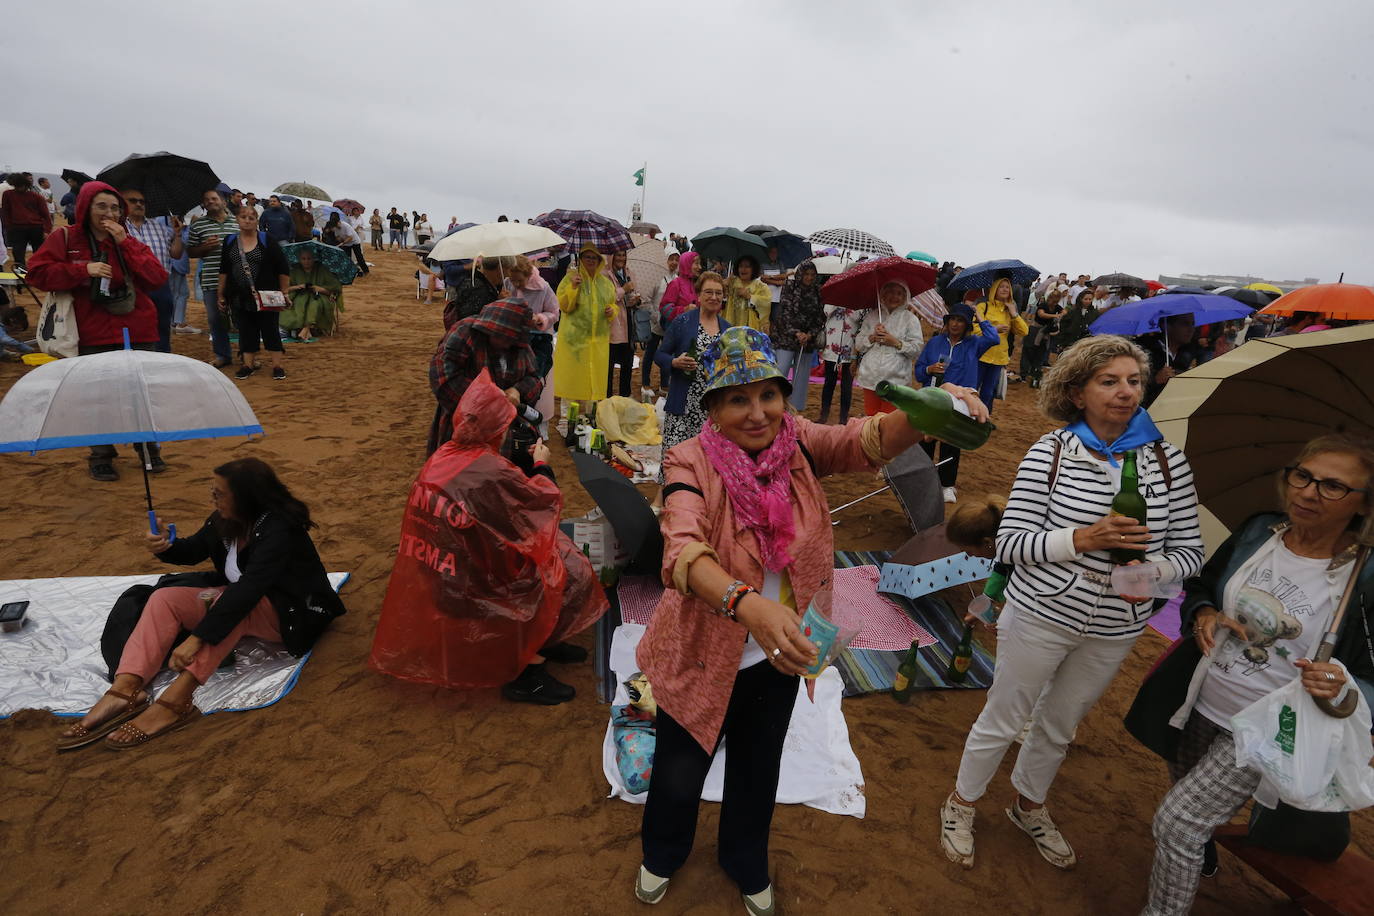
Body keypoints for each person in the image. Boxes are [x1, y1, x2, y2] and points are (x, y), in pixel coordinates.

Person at [634, 325, 988, 912]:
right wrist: (750, 605)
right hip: (698, 647)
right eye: (738, 398)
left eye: (768, 395)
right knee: (679, 765)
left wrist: (932, 411)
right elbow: (682, 549)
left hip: (782, 653)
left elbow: (864, 441)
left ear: (784, 397)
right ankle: (662, 853)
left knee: (758, 764)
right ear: (714, 407)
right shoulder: (689, 459)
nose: (757, 413)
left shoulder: (797, 443)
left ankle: (744, 859)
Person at [938, 335, 1204, 872]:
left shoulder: (1168, 463)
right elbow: (1010, 545)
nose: (1126, 392)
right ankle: (961, 804)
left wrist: (1152, 570)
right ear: (1078, 393)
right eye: (1109, 381)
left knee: (1059, 724)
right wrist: (1083, 538)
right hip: (1041, 612)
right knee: (1004, 714)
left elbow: (1191, 553)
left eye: (1133, 380)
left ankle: (1028, 805)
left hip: (1116, 624)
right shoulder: (1052, 452)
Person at [1136, 433, 1374, 915]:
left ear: (1363, 504)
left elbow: (1366, 675)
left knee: (1178, 822)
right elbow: (1204, 585)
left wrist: (1343, 685)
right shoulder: (1259, 531)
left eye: (1333, 487)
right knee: (1186, 794)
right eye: (1303, 476)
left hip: (1266, 726)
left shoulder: (1364, 574)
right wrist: (1203, 614)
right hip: (1201, 697)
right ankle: (1200, 856)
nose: (1308, 492)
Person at [55, 458, 346, 751]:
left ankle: (177, 700)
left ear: (246, 496)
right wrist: (167, 546)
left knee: (233, 607)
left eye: (219, 493)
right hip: (244, 599)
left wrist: (197, 639)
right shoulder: (225, 519)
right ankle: (127, 687)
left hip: (294, 613)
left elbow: (248, 589)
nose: (213, 497)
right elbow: (194, 549)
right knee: (164, 597)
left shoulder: (278, 529)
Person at [371, 368, 606, 703]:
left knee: (552, 554)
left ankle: (544, 639)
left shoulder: (447, 454)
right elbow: (541, 508)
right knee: (566, 564)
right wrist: (540, 465)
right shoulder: (486, 469)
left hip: (445, 573)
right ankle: (527, 672)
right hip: (476, 582)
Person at [27, 182, 169, 481]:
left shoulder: (127, 239)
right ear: (85, 207)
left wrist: (127, 243)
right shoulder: (66, 238)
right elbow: (37, 273)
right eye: (101, 206)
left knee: (140, 395)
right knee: (97, 397)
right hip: (92, 331)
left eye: (116, 208)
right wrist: (83, 270)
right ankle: (101, 454)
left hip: (137, 328)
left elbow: (156, 278)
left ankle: (148, 450)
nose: (110, 213)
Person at [428, 298, 542, 454]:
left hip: (504, 433)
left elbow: (535, 378)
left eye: (510, 339)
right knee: (460, 474)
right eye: (501, 337)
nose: (506, 344)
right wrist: (490, 400)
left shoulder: (518, 344)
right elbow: (442, 377)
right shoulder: (464, 332)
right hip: (462, 427)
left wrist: (518, 391)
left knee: (496, 474)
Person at [914, 305, 1001, 502]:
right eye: (952, 319)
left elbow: (994, 338)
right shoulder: (935, 342)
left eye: (961, 320)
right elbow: (919, 372)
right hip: (933, 396)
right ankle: (923, 481)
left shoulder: (974, 344)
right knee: (925, 441)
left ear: (967, 325)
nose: (955, 323)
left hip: (961, 400)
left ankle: (947, 486)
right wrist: (929, 369)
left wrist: (980, 316)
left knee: (951, 443)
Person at [654, 271, 730, 483]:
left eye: (718, 293)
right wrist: (674, 362)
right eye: (708, 292)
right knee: (674, 451)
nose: (714, 297)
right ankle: (662, 496)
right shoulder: (683, 321)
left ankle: (698, 497)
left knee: (707, 456)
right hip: (683, 401)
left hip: (712, 408)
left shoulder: (728, 329)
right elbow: (659, 355)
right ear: (698, 295)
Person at [218, 206, 291, 381]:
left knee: (270, 330)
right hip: (238, 295)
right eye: (243, 217)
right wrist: (220, 294)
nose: (247, 220)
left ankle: (277, 366)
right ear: (237, 219)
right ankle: (247, 365)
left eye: (251, 217)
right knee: (245, 330)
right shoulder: (230, 241)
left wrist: (285, 292)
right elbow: (224, 270)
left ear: (256, 220)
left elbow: (282, 267)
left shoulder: (267, 240)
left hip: (267, 295)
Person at [120, 187, 184, 353]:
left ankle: (162, 361)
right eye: (133, 201)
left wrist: (178, 234)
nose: (139, 204)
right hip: (132, 287)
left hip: (160, 287)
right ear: (123, 203)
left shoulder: (160, 228)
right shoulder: (119, 228)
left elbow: (176, 254)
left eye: (142, 201)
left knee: (162, 328)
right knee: (134, 328)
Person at [553, 244, 616, 409]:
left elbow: (612, 304)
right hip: (574, 343)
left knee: (593, 384)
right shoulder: (569, 279)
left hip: (597, 345)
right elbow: (564, 306)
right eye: (587, 257)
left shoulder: (606, 284)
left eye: (594, 257)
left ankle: (590, 418)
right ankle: (567, 422)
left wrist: (612, 311)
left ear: (600, 260)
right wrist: (573, 287)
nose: (591, 260)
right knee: (571, 383)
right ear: (580, 259)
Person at [853, 281, 925, 416]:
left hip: (896, 380)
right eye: (891, 292)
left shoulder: (910, 319)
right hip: (870, 377)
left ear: (905, 297)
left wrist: (895, 342)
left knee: (888, 421)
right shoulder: (873, 316)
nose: (894, 297)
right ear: (883, 295)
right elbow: (858, 345)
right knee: (871, 418)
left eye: (899, 293)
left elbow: (916, 350)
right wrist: (872, 337)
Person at [187, 190, 240, 368]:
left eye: (214, 198)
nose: (210, 202)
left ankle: (248, 355)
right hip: (211, 277)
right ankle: (222, 355)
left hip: (237, 278)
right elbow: (191, 251)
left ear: (224, 201)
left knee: (243, 317)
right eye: (206, 199)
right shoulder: (198, 225)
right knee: (215, 319)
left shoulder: (238, 222)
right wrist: (204, 247)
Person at [768, 260, 826, 412]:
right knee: (781, 370)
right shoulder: (790, 287)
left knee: (802, 375)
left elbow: (820, 318)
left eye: (812, 275)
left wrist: (809, 334)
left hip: (806, 341)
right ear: (800, 274)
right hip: (785, 337)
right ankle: (774, 404)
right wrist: (796, 332)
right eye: (806, 274)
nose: (809, 278)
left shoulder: (818, 291)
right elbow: (784, 313)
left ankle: (795, 410)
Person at [972, 277, 1029, 410]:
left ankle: (984, 418)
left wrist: (1014, 313)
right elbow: (974, 330)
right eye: (1001, 286)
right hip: (981, 354)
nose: (1005, 289)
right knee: (972, 388)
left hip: (999, 357)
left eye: (1007, 287)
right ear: (994, 289)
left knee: (988, 392)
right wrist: (993, 329)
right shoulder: (983, 306)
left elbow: (1024, 331)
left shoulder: (1009, 310)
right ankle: (968, 415)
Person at [818, 301, 865, 426]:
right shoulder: (832, 299)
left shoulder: (859, 300)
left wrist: (849, 304)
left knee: (846, 385)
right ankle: (824, 415)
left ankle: (843, 418)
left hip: (850, 348)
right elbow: (827, 311)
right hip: (831, 348)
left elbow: (858, 317)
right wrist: (837, 301)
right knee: (829, 382)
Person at [1140, 313, 1201, 408]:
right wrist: (1155, 381)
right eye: (1185, 324)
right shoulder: (1144, 354)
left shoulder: (1190, 353)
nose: (1191, 329)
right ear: (1166, 326)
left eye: (1193, 324)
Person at [281, 247, 342, 341]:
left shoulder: (322, 270)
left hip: (320, 297)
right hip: (299, 296)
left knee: (314, 304)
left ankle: (306, 328)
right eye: (303, 259)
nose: (306, 261)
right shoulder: (294, 271)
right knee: (299, 304)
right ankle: (300, 328)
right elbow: (285, 288)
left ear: (314, 259)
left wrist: (320, 289)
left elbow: (334, 291)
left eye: (309, 258)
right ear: (299, 259)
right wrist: (298, 287)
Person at [640, 249, 678, 398]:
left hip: (669, 324)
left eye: (676, 259)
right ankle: (645, 383)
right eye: (671, 259)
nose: (674, 262)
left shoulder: (676, 279)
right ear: (665, 259)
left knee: (667, 354)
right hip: (655, 323)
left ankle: (664, 385)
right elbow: (647, 298)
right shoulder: (657, 278)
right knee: (650, 353)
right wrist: (655, 316)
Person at [1, 171, 53, 268]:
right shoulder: (8, 195)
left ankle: (37, 271)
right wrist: (9, 227)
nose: (18, 188)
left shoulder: (37, 197)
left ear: (26, 185)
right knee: (18, 253)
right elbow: (5, 212)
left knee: (38, 253)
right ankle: (21, 274)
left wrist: (46, 231)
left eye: (20, 186)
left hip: (35, 228)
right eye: (16, 186)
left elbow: (46, 215)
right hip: (17, 229)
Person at [607, 249, 638, 398]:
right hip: (613, 326)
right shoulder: (605, 275)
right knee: (609, 365)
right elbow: (606, 298)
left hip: (628, 326)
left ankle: (625, 396)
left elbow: (632, 294)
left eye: (623, 255)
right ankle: (607, 399)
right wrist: (623, 290)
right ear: (611, 257)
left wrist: (636, 300)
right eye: (618, 255)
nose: (621, 258)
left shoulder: (628, 273)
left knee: (628, 363)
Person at [445, 255, 506, 330]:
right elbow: (448, 270)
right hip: (456, 286)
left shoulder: (481, 284)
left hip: (467, 284)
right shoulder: (479, 288)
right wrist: (468, 266)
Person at [1019, 287, 1065, 387]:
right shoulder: (1043, 305)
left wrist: (1060, 315)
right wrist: (1055, 316)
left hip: (1045, 332)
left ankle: (1035, 373)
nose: (1055, 301)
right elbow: (1041, 314)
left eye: (1057, 299)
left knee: (1041, 352)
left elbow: (1064, 311)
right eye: (1054, 299)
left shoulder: (1057, 307)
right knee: (1028, 351)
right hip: (1035, 330)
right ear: (1050, 297)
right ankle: (1023, 373)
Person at [724, 255, 771, 331]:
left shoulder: (760, 286)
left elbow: (766, 303)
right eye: (741, 266)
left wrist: (750, 297)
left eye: (747, 266)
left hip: (751, 328)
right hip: (731, 325)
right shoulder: (732, 283)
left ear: (753, 269)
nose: (743, 269)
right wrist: (723, 285)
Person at [659, 250, 700, 326]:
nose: (699, 267)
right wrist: (684, 309)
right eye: (696, 263)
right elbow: (665, 309)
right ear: (687, 264)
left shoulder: (694, 284)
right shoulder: (676, 283)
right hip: (677, 332)